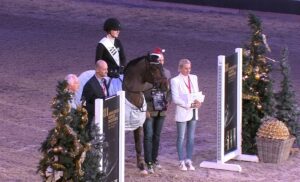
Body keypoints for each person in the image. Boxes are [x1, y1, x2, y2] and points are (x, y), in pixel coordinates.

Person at [143, 47, 171, 174]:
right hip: (149, 109)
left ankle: (154, 159)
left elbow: (169, 91)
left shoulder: (167, 73)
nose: (162, 62)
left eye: (163, 60)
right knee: (148, 136)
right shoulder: (146, 74)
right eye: (159, 60)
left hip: (161, 110)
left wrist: (167, 101)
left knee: (157, 136)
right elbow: (141, 92)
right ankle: (148, 162)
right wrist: (144, 109)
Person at [170, 59, 202, 171]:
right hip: (183, 112)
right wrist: (188, 104)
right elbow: (175, 99)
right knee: (181, 137)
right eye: (186, 68)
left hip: (193, 111)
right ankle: (181, 161)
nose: (188, 70)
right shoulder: (175, 80)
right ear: (180, 68)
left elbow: (197, 92)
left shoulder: (194, 78)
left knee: (191, 137)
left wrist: (199, 101)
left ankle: (189, 159)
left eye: (189, 68)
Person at [81, 60, 109, 130]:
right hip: (93, 121)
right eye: (104, 69)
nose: (107, 71)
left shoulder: (104, 81)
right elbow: (84, 104)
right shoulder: (89, 85)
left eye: (107, 69)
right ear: (97, 70)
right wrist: (96, 109)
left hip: (103, 118)